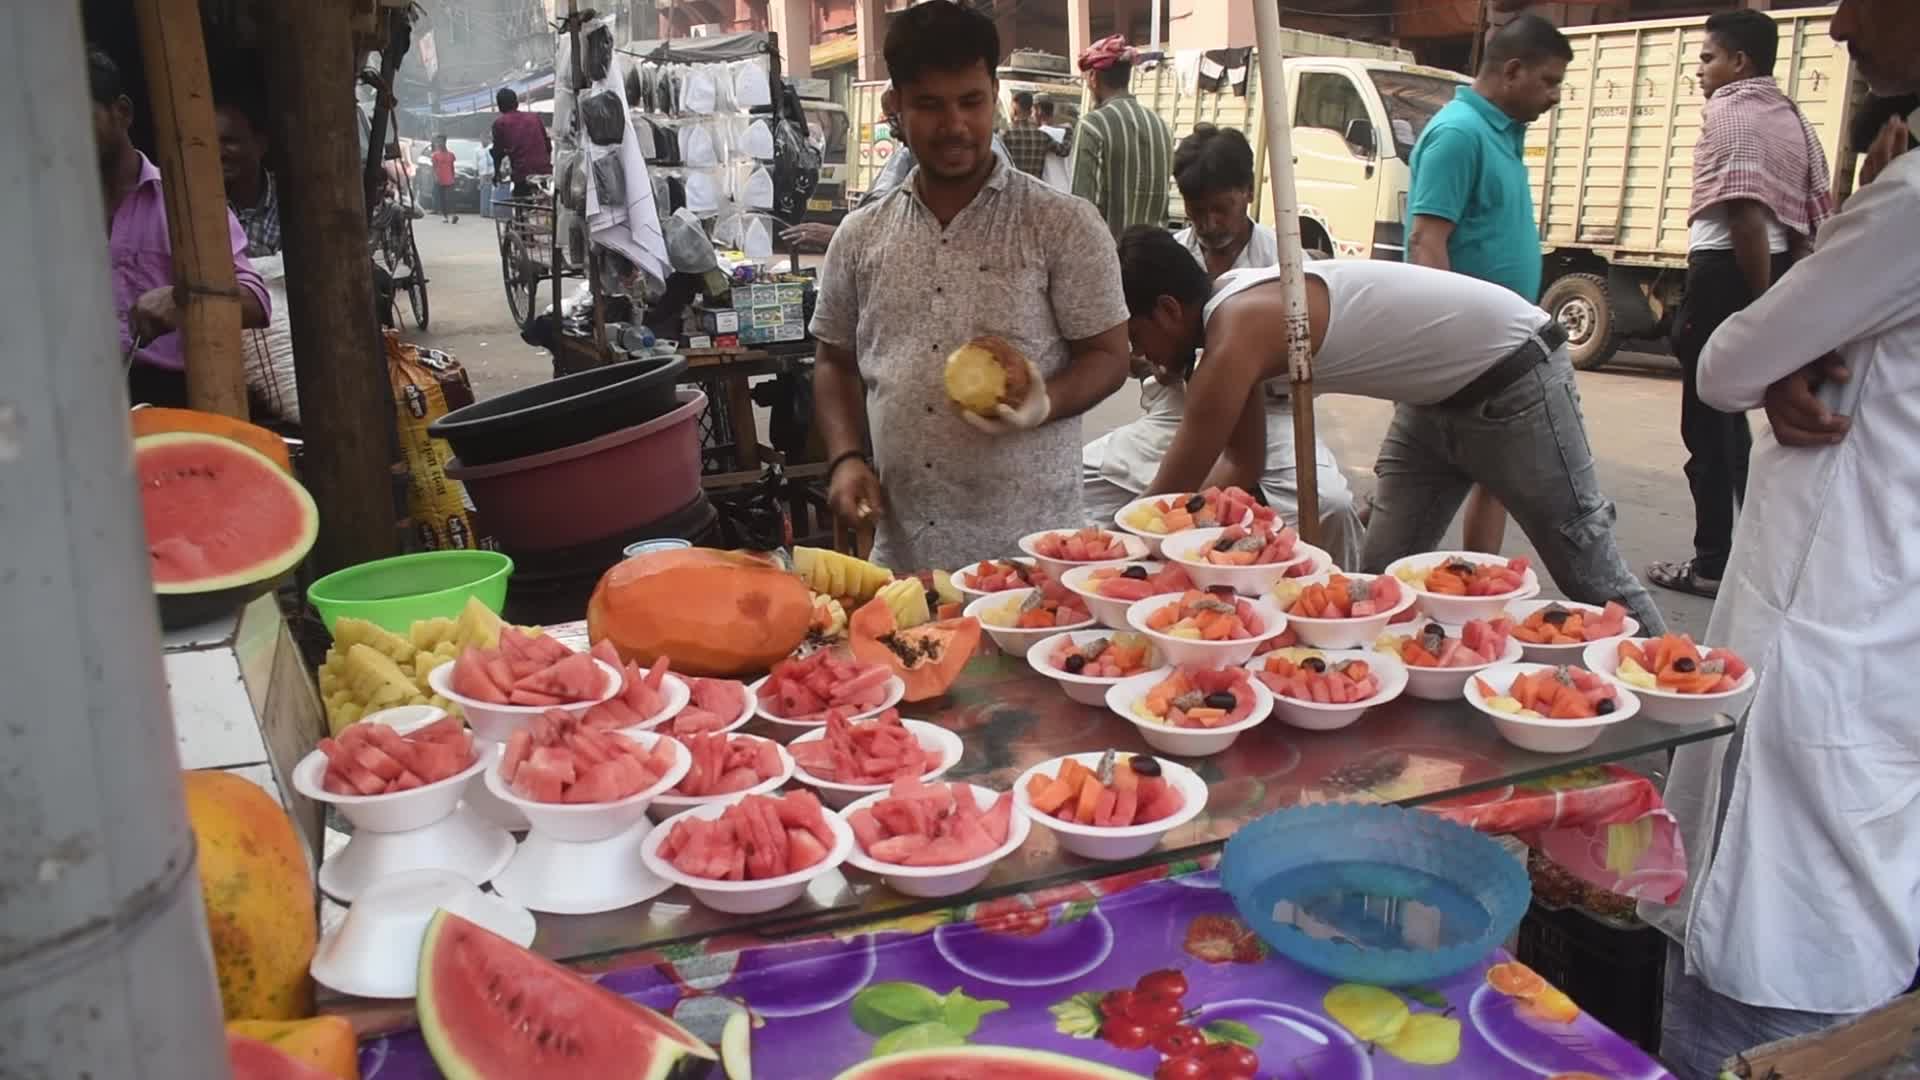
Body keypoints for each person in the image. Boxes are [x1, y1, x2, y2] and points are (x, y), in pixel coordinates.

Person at [1647, 2, 1920, 1071]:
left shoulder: (1908, 204)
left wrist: (1794, 347)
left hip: (1842, 580)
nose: (1844, 22)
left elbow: (1723, 363)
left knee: (1790, 844)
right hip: (1887, 578)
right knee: (1865, 825)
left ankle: (1778, 1045)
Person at [1116, 226, 1666, 634]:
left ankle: (1680, 705)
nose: (1138, 356)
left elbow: (1172, 488)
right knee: (1375, 592)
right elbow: (1243, 466)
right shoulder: (1233, 313)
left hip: (1514, 376)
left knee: (1589, 576)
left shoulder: (1232, 333)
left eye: (1135, 337)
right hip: (1432, 403)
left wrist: (1109, 560)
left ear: (1167, 309)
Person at [809, 1, 1132, 571]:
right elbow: (834, 361)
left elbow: (1109, 355)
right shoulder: (861, 236)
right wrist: (846, 458)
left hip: (1032, 563)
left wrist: (1043, 402)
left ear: (996, 98)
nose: (954, 125)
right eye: (930, 105)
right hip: (903, 559)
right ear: (896, 108)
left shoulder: (1062, 224)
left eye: (971, 101)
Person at [1083, 125, 1363, 567]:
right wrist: (1151, 359)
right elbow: (1139, 349)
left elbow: (1304, 361)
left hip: (1272, 418)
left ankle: (1338, 595)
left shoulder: (1286, 263)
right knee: (1078, 482)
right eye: (1198, 212)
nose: (1210, 224)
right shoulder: (1167, 257)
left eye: (1222, 209)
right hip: (1177, 412)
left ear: (1248, 193)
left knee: (1332, 505)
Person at [1645, 9, 1834, 601]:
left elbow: (1747, 215)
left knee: (1707, 429)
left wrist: (1762, 312)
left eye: (1707, 58)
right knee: (1736, 432)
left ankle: (1711, 563)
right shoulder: (1789, 117)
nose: (1699, 70)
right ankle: (1748, 554)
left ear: (1739, 62)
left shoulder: (1733, 114)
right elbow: (1793, 223)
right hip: (1765, 272)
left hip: (1728, 277)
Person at [1406, 14, 1571, 558]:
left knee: (1495, 480)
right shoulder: (1459, 134)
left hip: (1503, 348)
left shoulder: (1501, 132)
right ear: (1513, 70)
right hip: (1467, 353)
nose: (1553, 97)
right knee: (1417, 488)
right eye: (1548, 82)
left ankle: (1477, 587)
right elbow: (1428, 241)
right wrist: (1448, 343)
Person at [93, 48, 269, 407]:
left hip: (172, 397)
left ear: (122, 112)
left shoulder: (185, 203)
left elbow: (257, 300)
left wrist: (180, 300)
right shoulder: (52, 215)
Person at [1071, 35, 1172, 238]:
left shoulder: (1093, 125)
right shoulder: (1160, 126)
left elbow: (1083, 209)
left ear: (1092, 77)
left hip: (1112, 260)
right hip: (1157, 258)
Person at [214, 97, 279, 257]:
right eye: (210, 144)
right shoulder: (199, 206)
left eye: (229, 142)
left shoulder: (294, 199)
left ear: (260, 145)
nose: (219, 153)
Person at [490, 87, 551, 197]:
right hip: (545, 172)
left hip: (522, 174)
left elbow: (497, 153)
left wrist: (496, 173)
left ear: (499, 106)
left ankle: (521, 213)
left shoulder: (500, 123)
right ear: (516, 102)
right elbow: (548, 145)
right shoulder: (535, 118)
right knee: (545, 203)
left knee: (521, 202)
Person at [1001, 89, 1062, 179]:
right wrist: (1068, 130)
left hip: (1011, 189)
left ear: (1014, 110)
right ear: (1030, 111)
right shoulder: (1043, 136)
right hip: (1034, 190)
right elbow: (1063, 151)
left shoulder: (1005, 134)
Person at [1034, 95, 1073, 191]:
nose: (1031, 115)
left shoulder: (1039, 134)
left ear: (1039, 111)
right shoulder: (1066, 131)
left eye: (1032, 111)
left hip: (1048, 188)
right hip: (1067, 188)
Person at [430, 135, 460, 224]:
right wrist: (435, 177)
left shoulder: (451, 155)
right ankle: (445, 216)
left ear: (445, 142)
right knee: (442, 198)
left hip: (449, 179)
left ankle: (454, 215)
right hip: (440, 179)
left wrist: (453, 177)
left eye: (441, 142)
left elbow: (452, 167)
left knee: (450, 198)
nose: (439, 144)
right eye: (438, 142)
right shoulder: (435, 155)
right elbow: (434, 168)